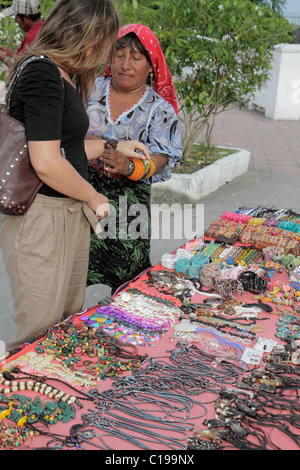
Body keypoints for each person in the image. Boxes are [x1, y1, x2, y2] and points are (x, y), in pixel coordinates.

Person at [0, 1, 149, 352]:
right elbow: (47, 163)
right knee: (38, 333)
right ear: (84, 34)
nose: (104, 54)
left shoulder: (62, 73)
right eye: (104, 42)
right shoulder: (42, 73)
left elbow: (67, 148)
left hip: (66, 215)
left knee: (65, 322)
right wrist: (94, 197)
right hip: (41, 218)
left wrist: (115, 144)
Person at [87, 23, 182, 292]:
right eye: (119, 55)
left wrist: (131, 166)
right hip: (80, 198)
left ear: (151, 66)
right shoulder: (91, 90)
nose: (125, 64)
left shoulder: (158, 109)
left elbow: (165, 154)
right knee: (72, 268)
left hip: (128, 210)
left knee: (127, 281)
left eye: (136, 58)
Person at [0, 0, 44, 68]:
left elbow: (22, 71)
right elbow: (24, 57)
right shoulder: (43, 27)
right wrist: (8, 51)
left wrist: (5, 59)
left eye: (16, 17)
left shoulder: (33, 37)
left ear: (27, 17)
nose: (16, 21)